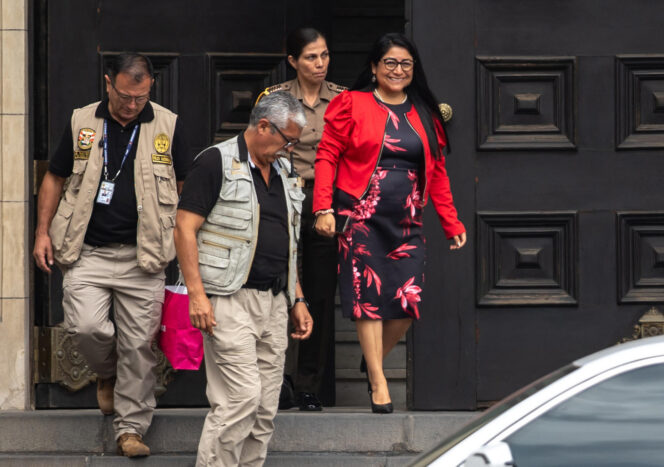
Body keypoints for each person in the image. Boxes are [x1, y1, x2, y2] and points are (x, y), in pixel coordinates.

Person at [32, 53, 190, 456]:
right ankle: (108, 372)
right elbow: (55, 177)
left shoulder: (167, 125)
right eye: (124, 96)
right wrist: (42, 232)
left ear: (150, 88)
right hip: (88, 252)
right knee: (86, 327)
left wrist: (183, 243)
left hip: (145, 256)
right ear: (108, 84)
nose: (132, 105)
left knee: (139, 346)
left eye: (140, 97)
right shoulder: (82, 121)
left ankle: (130, 430)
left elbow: (185, 188)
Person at [313, 33, 467, 413]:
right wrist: (323, 208)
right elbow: (327, 155)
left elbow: (438, 171)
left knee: (408, 301)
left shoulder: (424, 113)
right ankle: (379, 384)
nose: (398, 70)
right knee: (367, 298)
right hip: (360, 214)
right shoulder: (352, 103)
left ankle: (373, 361)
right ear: (374, 67)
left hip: (407, 219)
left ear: (414, 69)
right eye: (390, 63)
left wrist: (451, 221)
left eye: (405, 64)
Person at [174, 91, 314, 466]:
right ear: (264, 126)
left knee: (265, 407)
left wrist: (298, 298)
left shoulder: (284, 172)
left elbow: (289, 243)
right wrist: (197, 295)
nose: (289, 149)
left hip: (275, 302)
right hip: (228, 299)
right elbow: (184, 228)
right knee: (240, 399)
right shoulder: (214, 162)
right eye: (288, 140)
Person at [257, 27, 346, 411]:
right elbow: (260, 148)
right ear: (293, 61)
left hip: (326, 202)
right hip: (283, 199)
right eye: (311, 57)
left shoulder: (343, 99)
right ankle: (279, 381)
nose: (320, 63)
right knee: (282, 290)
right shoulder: (274, 99)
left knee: (320, 292)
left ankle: (310, 385)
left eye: (324, 55)